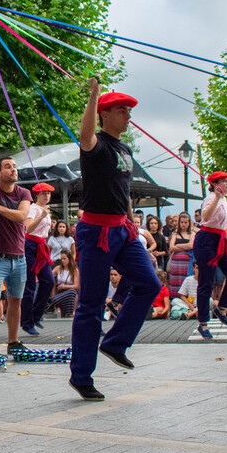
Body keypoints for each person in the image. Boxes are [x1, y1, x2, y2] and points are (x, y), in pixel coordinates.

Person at [68, 79, 161, 401]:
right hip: (96, 232)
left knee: (149, 284)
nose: (128, 116)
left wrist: (132, 222)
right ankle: (81, 376)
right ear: (104, 114)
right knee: (91, 304)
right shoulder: (96, 146)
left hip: (123, 229)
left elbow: (123, 190)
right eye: (122, 110)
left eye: (129, 111)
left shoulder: (125, 149)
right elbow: (84, 135)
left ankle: (115, 343)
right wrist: (94, 96)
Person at [192, 172, 227, 340]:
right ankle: (203, 323)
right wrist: (217, 197)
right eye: (224, 181)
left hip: (220, 239)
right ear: (215, 184)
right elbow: (205, 216)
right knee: (206, 282)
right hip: (206, 240)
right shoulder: (210, 199)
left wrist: (220, 198)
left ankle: (222, 307)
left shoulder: (224, 200)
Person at [0, 156, 31, 352]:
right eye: (8, 167)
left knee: (16, 301)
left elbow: (22, 216)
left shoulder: (23, 192)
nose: (14, 169)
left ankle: (13, 342)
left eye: (14, 166)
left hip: (19, 257)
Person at [21, 183, 56, 336]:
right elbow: (28, 228)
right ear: (37, 195)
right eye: (43, 193)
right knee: (29, 285)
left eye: (48, 193)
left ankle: (36, 315)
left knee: (48, 281)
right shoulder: (33, 208)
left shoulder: (46, 210)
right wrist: (41, 216)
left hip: (42, 245)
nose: (46, 196)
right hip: (30, 245)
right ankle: (27, 322)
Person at [167, 212, 195, 297]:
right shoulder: (175, 234)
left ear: (189, 223)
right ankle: (174, 297)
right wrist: (185, 246)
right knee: (176, 280)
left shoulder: (192, 234)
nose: (183, 224)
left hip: (187, 262)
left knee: (185, 279)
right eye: (182, 222)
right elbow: (171, 248)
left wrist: (178, 246)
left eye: (185, 222)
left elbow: (191, 245)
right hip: (176, 262)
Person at [51, 249, 79, 316]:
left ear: (69, 259)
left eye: (64, 259)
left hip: (70, 293)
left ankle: (70, 312)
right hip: (59, 294)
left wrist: (64, 286)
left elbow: (77, 286)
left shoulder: (75, 270)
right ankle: (69, 312)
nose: (62, 260)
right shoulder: (57, 269)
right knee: (72, 292)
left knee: (73, 292)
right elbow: (49, 277)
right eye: (61, 259)